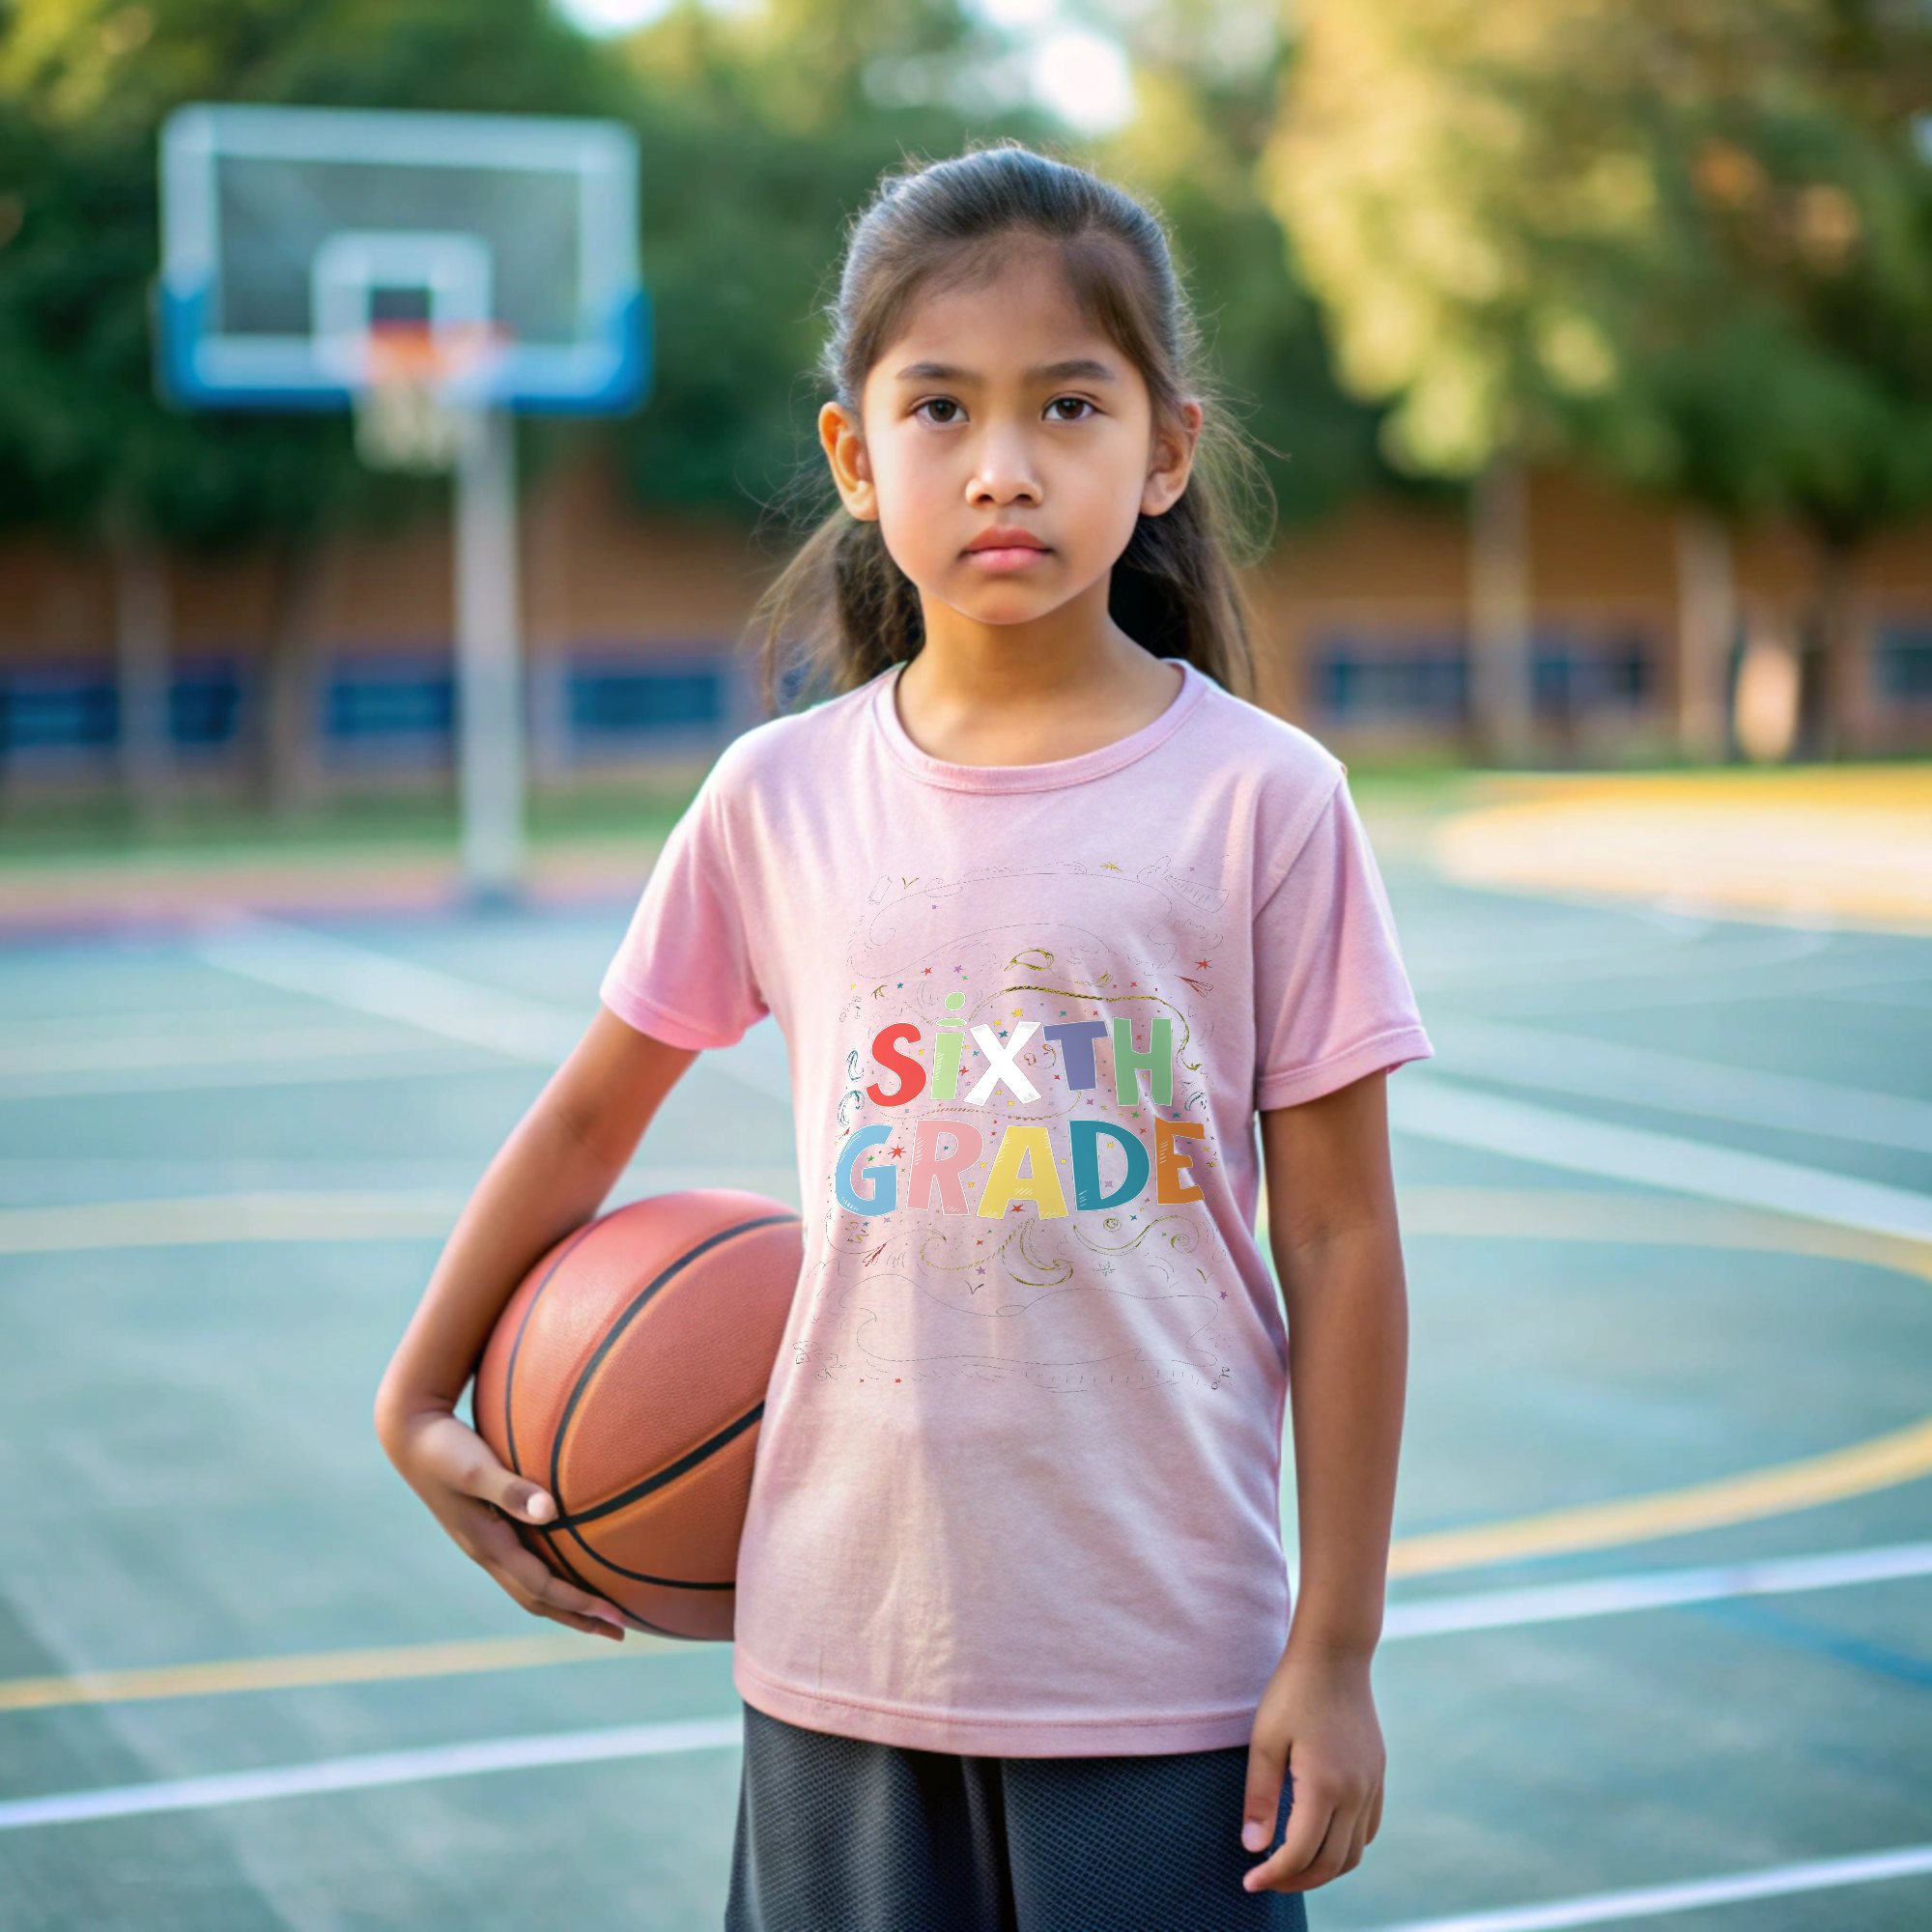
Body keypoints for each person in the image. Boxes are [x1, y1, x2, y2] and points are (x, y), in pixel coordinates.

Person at [376, 143, 1433, 1930]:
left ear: (1164, 449)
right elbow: (582, 1127)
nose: (1002, 464)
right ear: (858, 457)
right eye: (940, 407)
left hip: (1164, 1666)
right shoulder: (775, 797)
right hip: (838, 1649)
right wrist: (415, 1392)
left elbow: (1339, 1238)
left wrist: (1334, 1650)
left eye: (1068, 406)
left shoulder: (1266, 801)